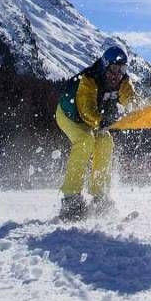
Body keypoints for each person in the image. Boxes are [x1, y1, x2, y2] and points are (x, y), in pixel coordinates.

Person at [56, 44, 135, 219]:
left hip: (94, 121)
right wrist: (100, 120)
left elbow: (129, 96)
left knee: (105, 141)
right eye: (114, 68)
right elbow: (86, 109)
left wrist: (134, 108)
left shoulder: (122, 80)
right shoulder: (90, 79)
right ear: (106, 65)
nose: (117, 74)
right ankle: (71, 198)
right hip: (69, 116)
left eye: (122, 69)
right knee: (85, 141)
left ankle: (100, 197)